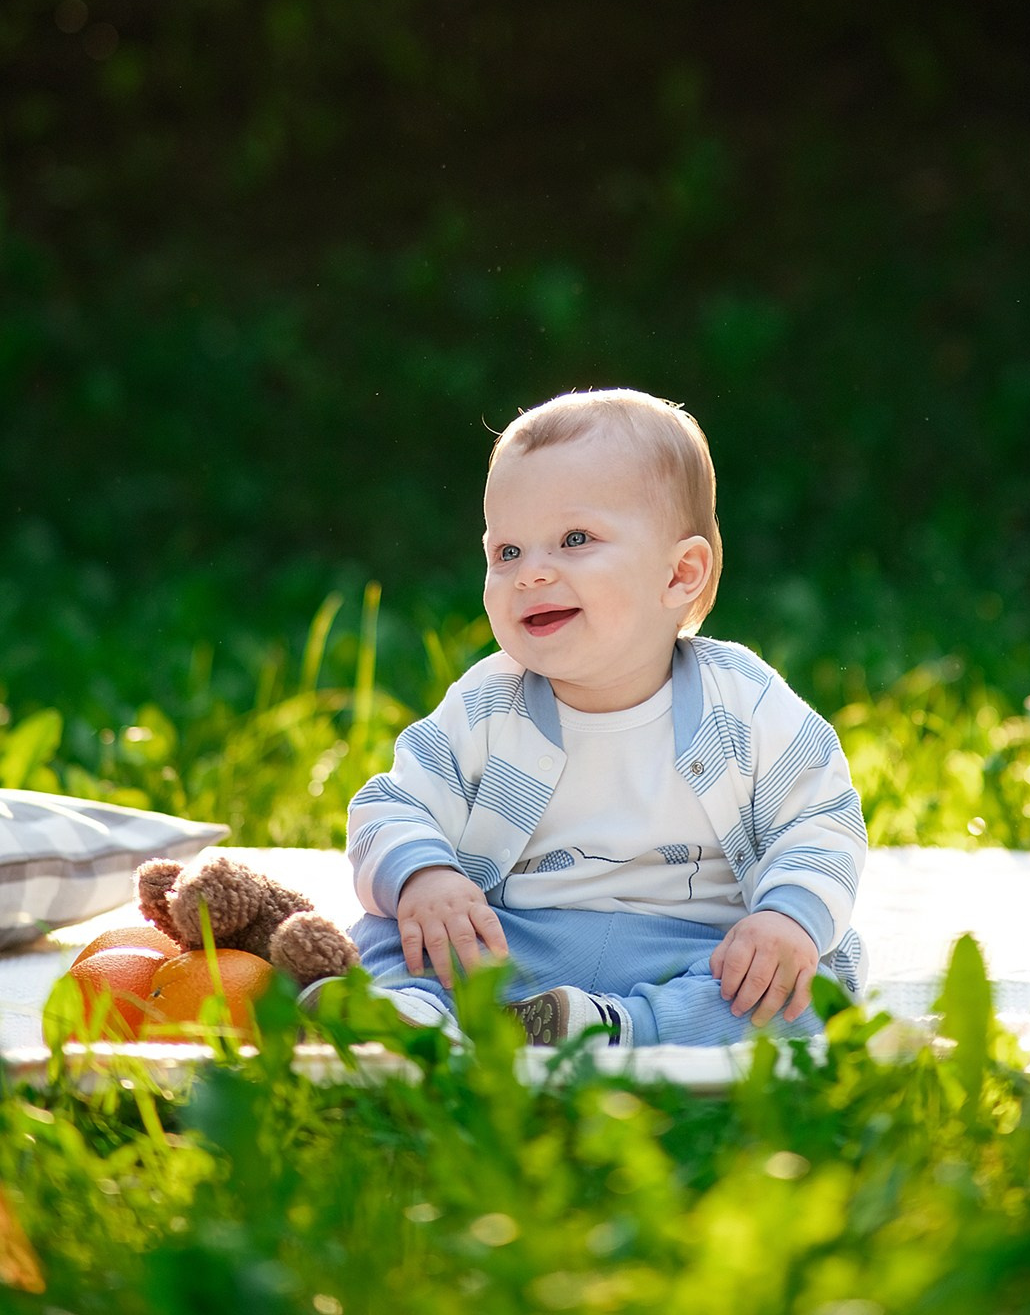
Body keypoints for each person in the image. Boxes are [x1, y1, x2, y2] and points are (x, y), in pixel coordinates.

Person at [345, 388, 867, 1047]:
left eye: (574, 540)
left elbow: (820, 821)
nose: (530, 575)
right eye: (507, 552)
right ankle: (414, 1011)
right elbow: (393, 805)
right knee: (394, 929)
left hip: (695, 951)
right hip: (515, 943)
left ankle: (622, 1027)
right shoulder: (487, 703)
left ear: (679, 574)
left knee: (808, 982)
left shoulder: (744, 702)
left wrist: (787, 920)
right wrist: (428, 877)